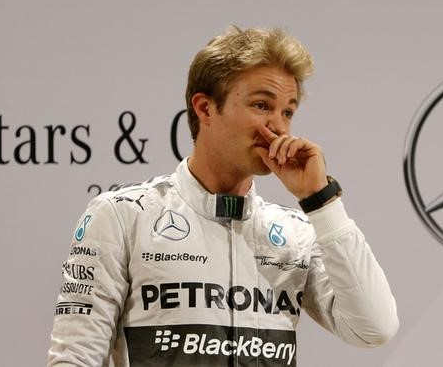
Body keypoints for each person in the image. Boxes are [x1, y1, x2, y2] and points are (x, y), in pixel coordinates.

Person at [48, 27, 398, 366]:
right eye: (262, 105)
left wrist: (321, 202)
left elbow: (374, 329)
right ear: (204, 108)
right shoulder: (122, 216)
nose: (278, 126)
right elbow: (75, 359)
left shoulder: (296, 233)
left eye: (288, 111)